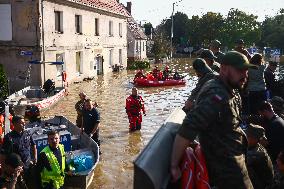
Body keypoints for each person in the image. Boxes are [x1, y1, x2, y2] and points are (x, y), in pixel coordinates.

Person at [171, 51, 257, 189]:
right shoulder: (216, 94)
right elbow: (188, 127)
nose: (245, 75)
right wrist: (174, 165)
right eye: (240, 70)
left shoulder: (231, 90)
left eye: (246, 71)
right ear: (223, 68)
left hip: (236, 163)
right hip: (226, 173)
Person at [2, 115, 37, 189]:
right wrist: (5, 171)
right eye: (21, 123)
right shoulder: (9, 138)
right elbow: (3, 155)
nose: (24, 124)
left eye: (24, 122)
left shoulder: (27, 133)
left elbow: (33, 146)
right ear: (14, 124)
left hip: (28, 167)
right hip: (17, 171)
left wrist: (34, 159)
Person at [245, 123, 274, 189]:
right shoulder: (257, 146)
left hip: (262, 185)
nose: (245, 137)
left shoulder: (257, 154)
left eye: (247, 136)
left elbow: (240, 162)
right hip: (262, 180)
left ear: (255, 139)